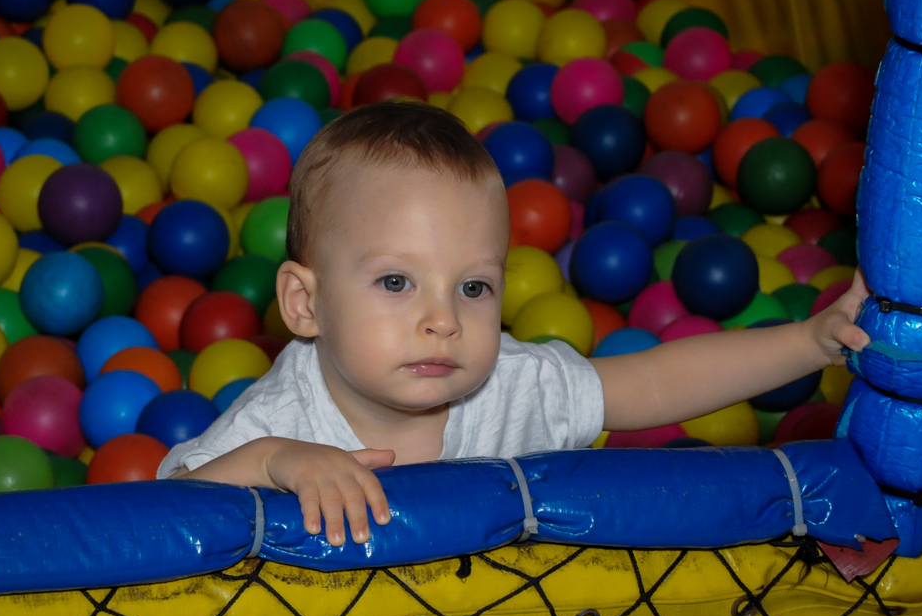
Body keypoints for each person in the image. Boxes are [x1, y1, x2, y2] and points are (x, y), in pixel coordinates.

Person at [158, 101, 869, 548]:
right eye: (396, 282)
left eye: (473, 286)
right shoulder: (284, 418)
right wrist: (275, 462)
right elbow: (162, 518)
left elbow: (652, 382)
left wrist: (808, 341)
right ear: (304, 304)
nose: (442, 319)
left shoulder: (513, 382)